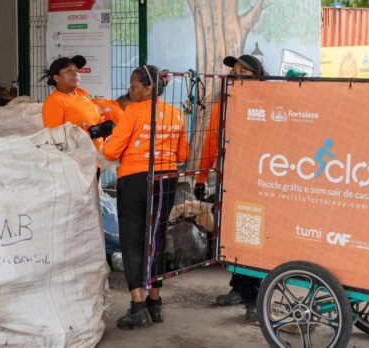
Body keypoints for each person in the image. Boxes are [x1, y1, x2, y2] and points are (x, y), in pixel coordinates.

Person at [103, 65, 188, 329]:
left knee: (133, 240)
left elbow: (111, 151)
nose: (130, 90)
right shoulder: (176, 113)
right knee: (157, 238)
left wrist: (108, 142)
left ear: (148, 88)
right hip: (167, 181)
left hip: (136, 182)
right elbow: (183, 155)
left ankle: (137, 306)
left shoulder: (133, 111)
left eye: (133, 85)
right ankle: (155, 303)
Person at [194, 54, 266, 321]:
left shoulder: (270, 98)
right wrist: (201, 179)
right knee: (233, 238)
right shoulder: (223, 102)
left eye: (243, 71)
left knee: (248, 239)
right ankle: (240, 289)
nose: (236, 74)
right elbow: (211, 141)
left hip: (258, 181)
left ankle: (253, 299)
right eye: (234, 70)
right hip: (229, 181)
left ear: (257, 75)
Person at [42, 55, 115, 148]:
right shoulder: (54, 101)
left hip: (96, 155)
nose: (75, 74)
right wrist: (89, 133)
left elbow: (93, 119)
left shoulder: (82, 93)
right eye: (69, 71)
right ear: (57, 78)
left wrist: (103, 127)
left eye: (76, 71)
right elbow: (55, 138)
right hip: (76, 158)